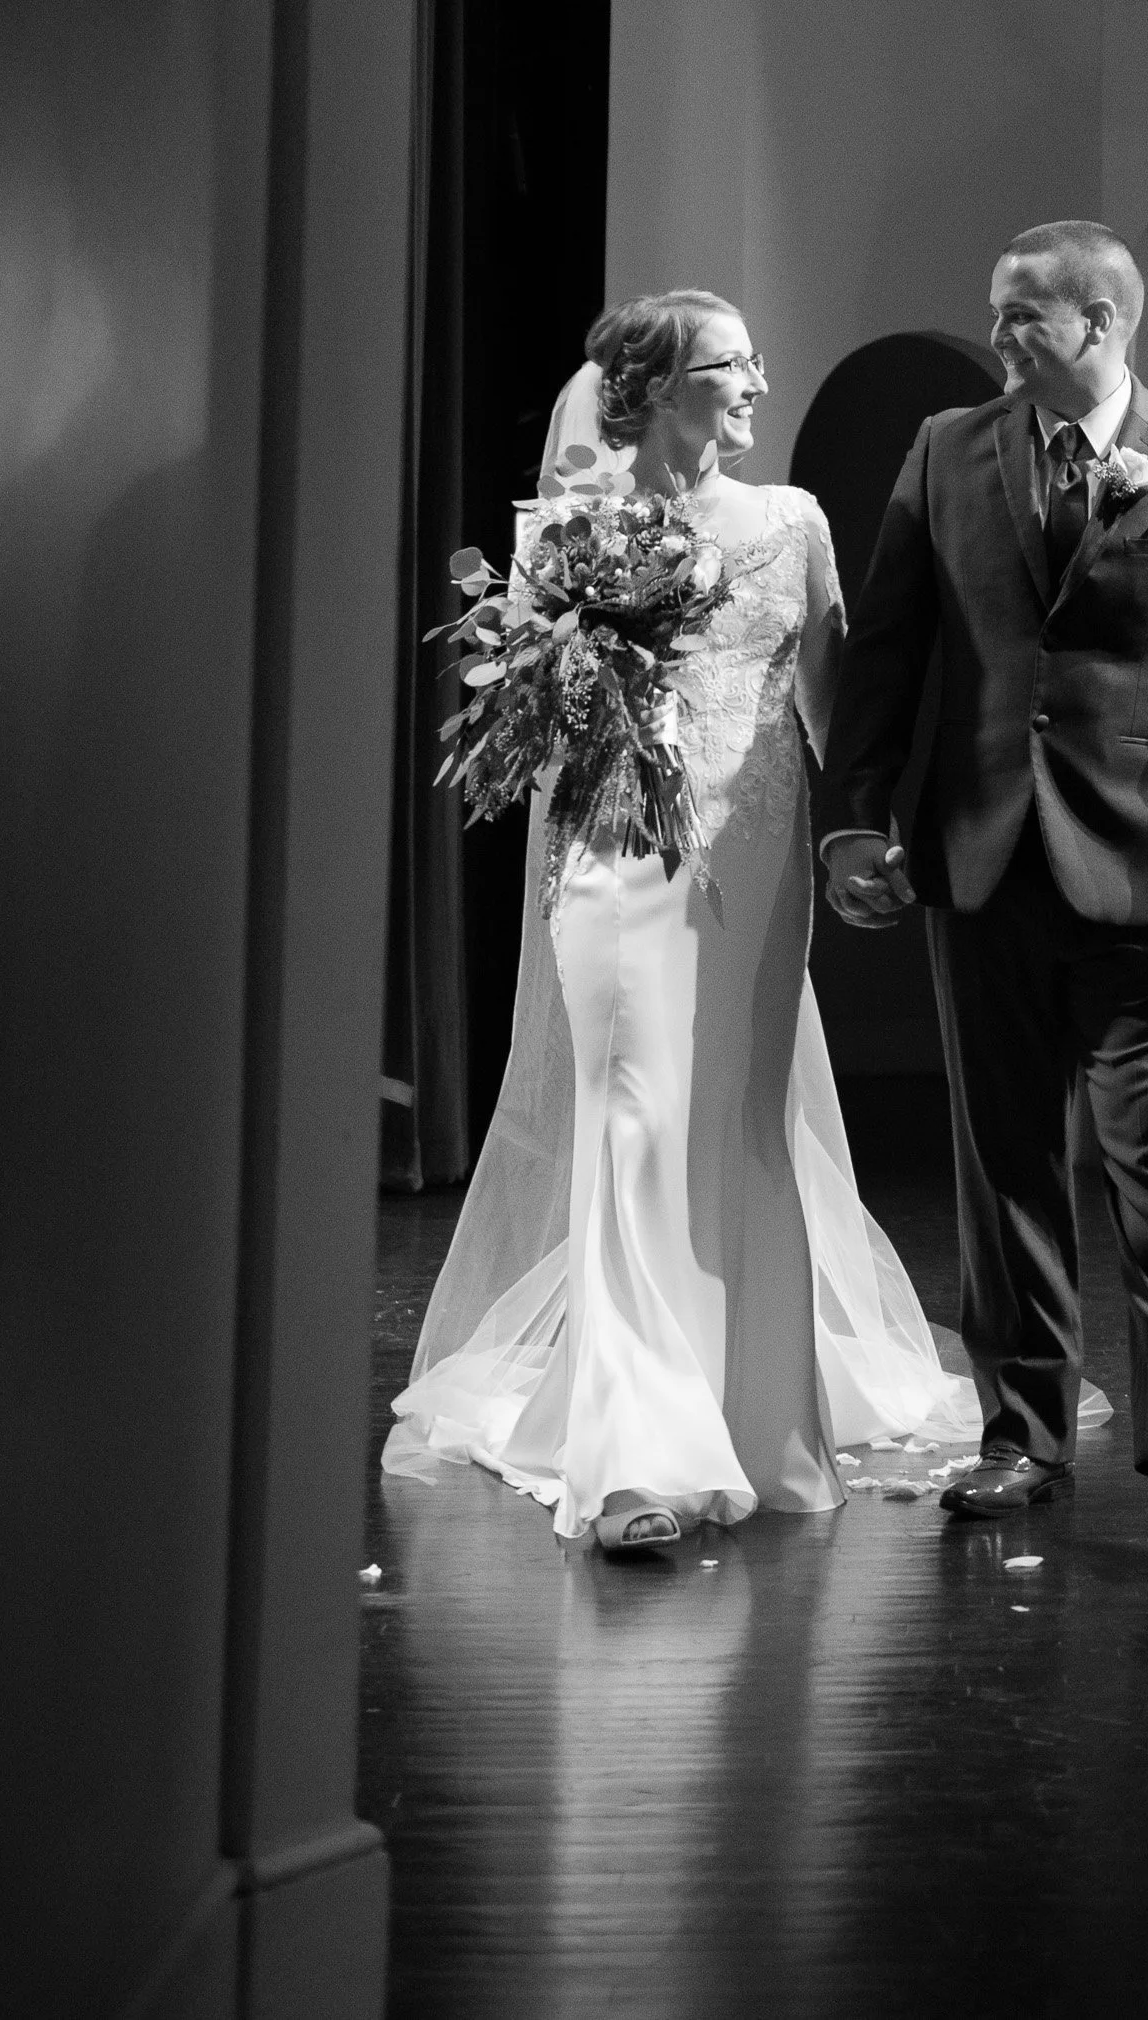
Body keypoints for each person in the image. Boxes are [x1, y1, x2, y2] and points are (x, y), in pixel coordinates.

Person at [383, 289, 984, 1551]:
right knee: (635, 1126)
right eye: (729, 365)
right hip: (613, 857)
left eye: (758, 358)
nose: (757, 382)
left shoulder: (791, 521)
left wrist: (861, 834)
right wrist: (588, 692)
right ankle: (636, 1455)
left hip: (758, 865)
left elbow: (829, 699)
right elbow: (531, 722)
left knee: (736, 1126)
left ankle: (755, 1419)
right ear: (657, 389)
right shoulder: (568, 533)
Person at [818, 219, 1148, 1543]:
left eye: (1024, 318)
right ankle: (1021, 1438)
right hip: (981, 866)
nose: (1000, 339)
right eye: (996, 316)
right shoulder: (943, 454)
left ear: (1101, 324)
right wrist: (855, 823)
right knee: (1005, 1160)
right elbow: (888, 659)